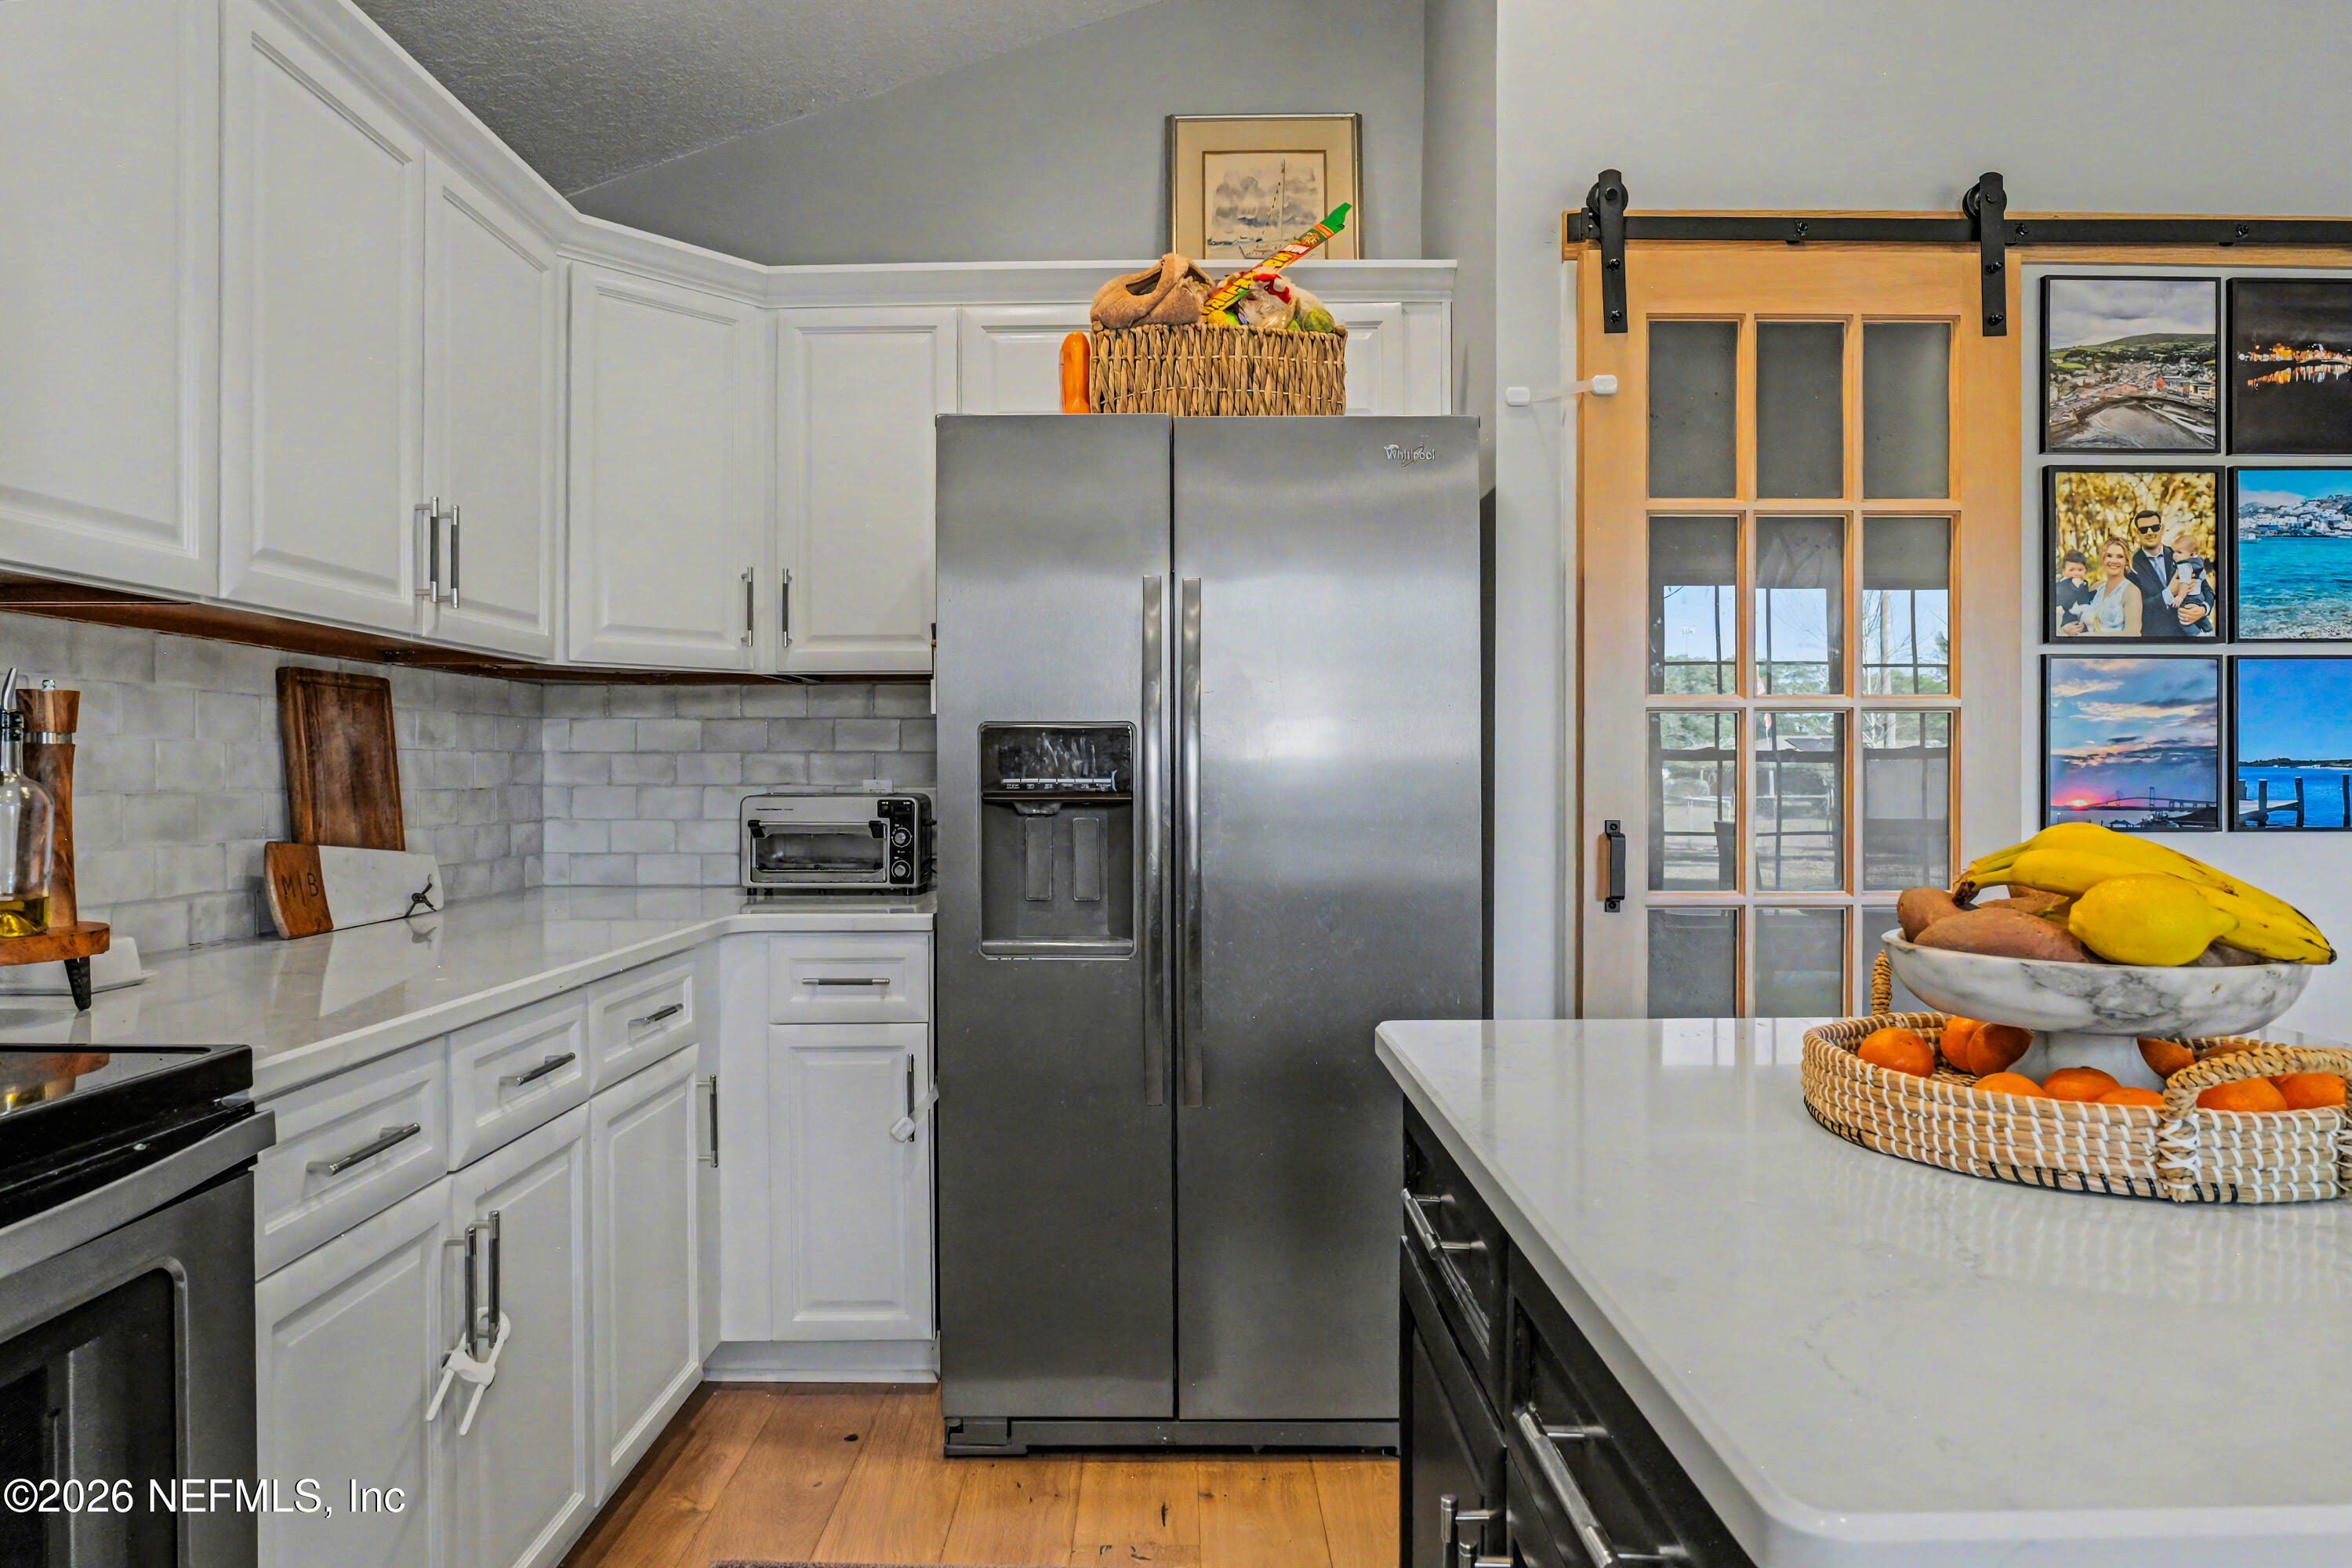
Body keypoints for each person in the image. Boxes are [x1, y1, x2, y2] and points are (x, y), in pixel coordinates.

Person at [2123, 508, 2212, 637]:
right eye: (2144, 529)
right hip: (2158, 642)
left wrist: (2203, 609)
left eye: (2154, 527)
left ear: (2162, 529)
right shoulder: (2131, 567)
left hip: (2192, 640)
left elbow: (2207, 590)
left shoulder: (2181, 554)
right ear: (2138, 533)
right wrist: (2169, 593)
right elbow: (2135, 610)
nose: (2150, 532)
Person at [2061, 537, 2141, 637]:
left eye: (2120, 556)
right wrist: (2067, 626)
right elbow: (2078, 613)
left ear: (2126, 561)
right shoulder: (2096, 587)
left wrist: (2093, 637)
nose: (2114, 561)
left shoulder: (2131, 591)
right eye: (2109, 556)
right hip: (2086, 649)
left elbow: (2133, 633)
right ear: (2103, 559)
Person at [2053, 549, 2094, 636]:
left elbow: (2085, 600)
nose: (2076, 573)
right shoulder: (2061, 585)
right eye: (2071, 570)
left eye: (2080, 570)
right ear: (2064, 572)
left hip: (2083, 619)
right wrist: (2076, 586)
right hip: (2069, 619)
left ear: (2085, 570)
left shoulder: (2084, 583)